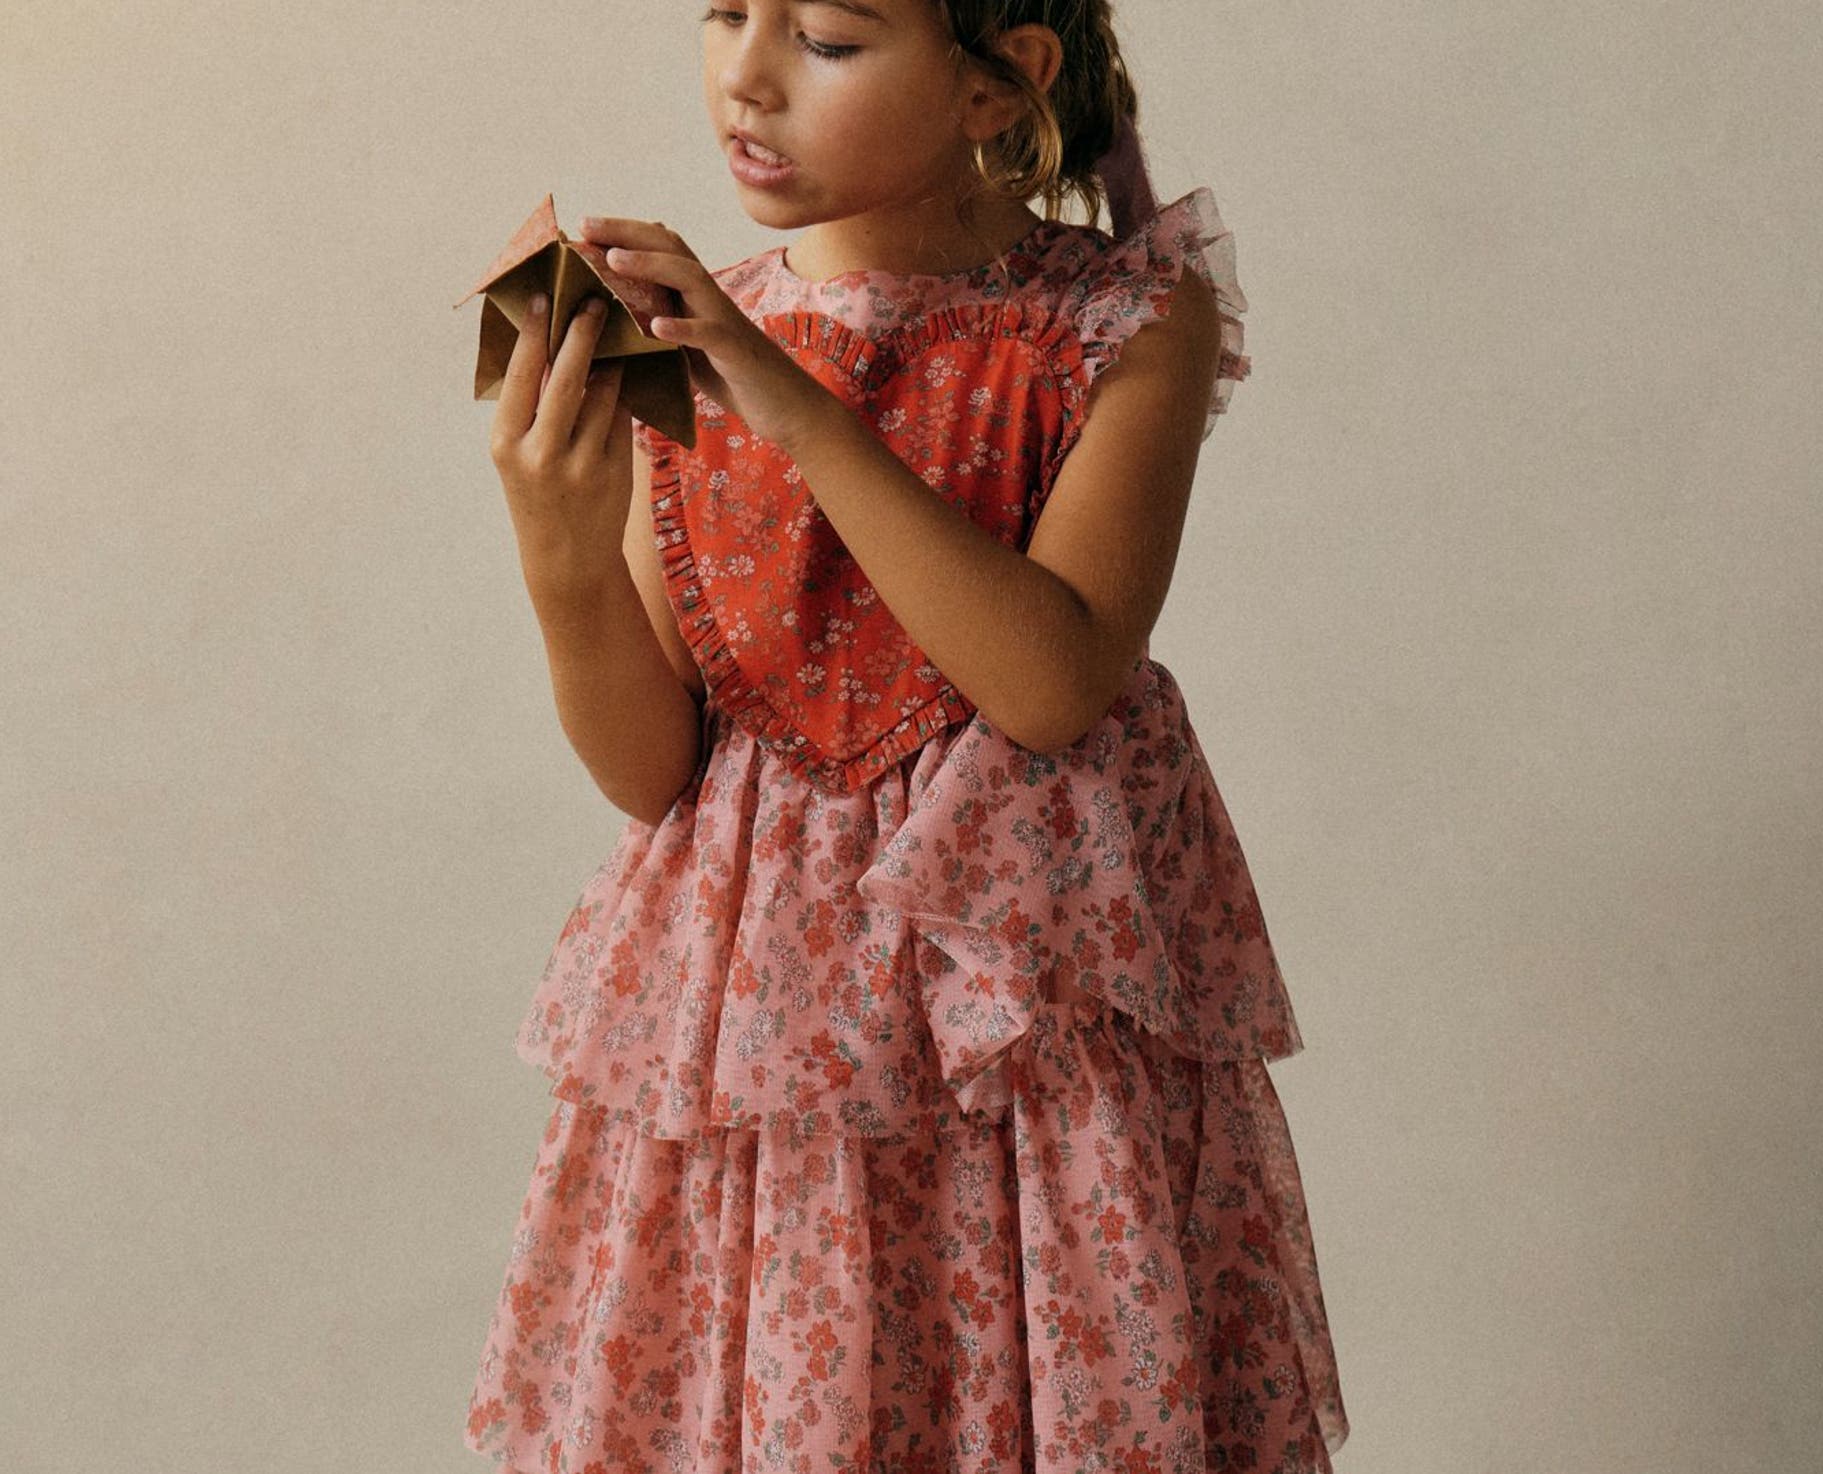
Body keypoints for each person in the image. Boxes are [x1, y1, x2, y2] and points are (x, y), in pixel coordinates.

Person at [463, 2, 1350, 1469]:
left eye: (825, 37)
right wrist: (558, 547)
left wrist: (788, 399)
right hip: (771, 1051)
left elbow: (1049, 682)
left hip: (1026, 1046)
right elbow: (652, 769)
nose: (747, 75)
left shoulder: (1122, 323)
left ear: (1000, 85)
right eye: (727, 11)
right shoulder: (691, 341)